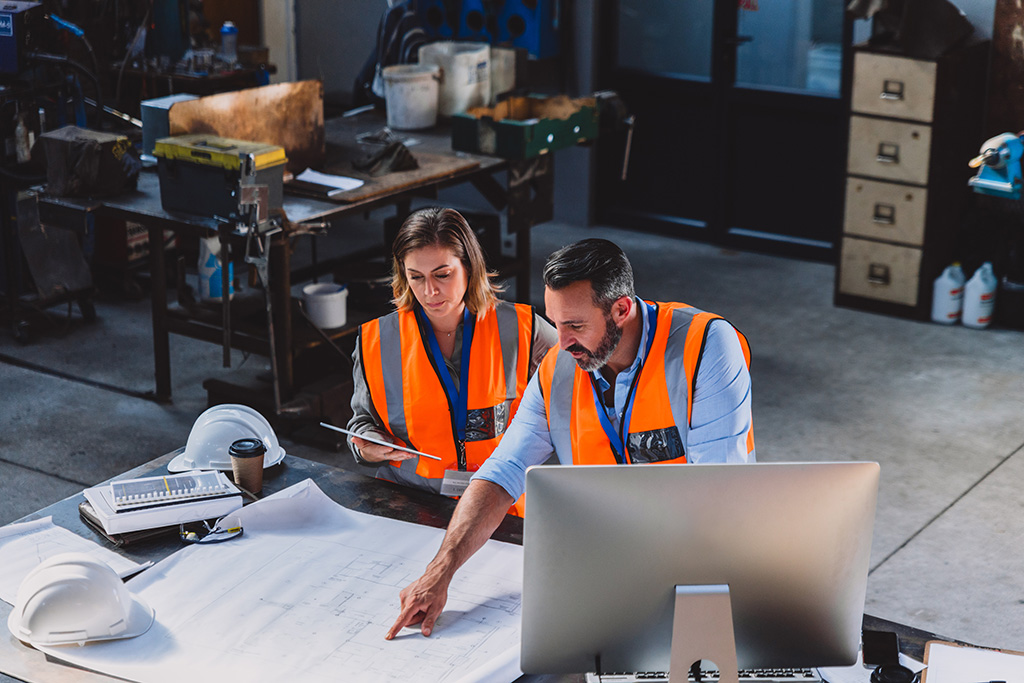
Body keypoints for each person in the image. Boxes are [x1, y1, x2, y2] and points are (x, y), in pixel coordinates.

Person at [385, 237, 755, 639]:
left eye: (575, 325)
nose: (561, 343)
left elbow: (718, 493)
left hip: (698, 560)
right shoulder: (557, 370)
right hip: (605, 557)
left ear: (621, 310)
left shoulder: (706, 347)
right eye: (556, 323)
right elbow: (503, 471)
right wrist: (441, 570)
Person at [347, 207, 556, 513]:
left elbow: (585, 379)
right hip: (411, 502)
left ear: (469, 267)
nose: (430, 291)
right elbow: (361, 423)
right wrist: (368, 447)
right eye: (415, 277)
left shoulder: (522, 328)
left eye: (443, 275)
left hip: (499, 502)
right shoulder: (377, 341)